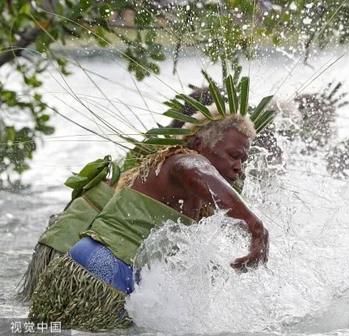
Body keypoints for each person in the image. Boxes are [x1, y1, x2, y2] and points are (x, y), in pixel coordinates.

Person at [28, 74, 274, 331]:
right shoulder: (183, 160)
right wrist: (254, 224)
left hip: (89, 268)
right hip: (103, 273)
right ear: (200, 143)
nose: (238, 167)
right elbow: (200, 171)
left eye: (243, 161)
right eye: (233, 156)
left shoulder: (195, 193)